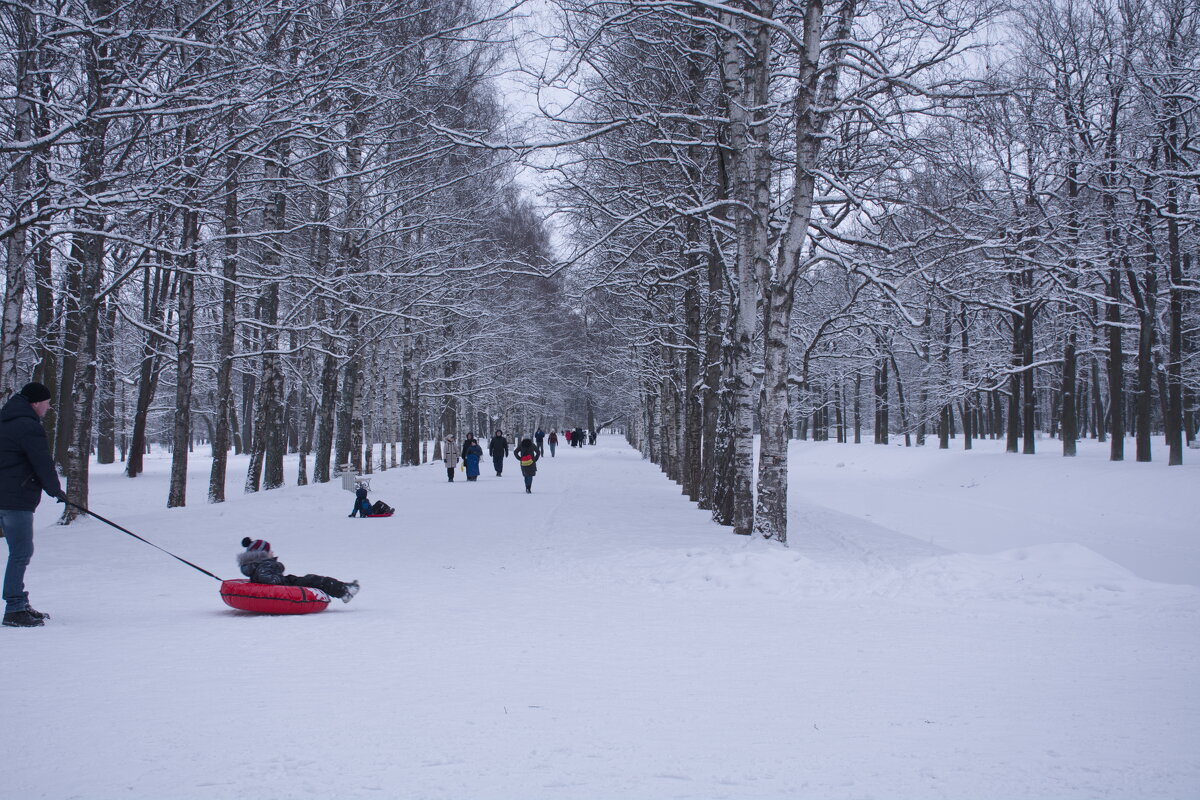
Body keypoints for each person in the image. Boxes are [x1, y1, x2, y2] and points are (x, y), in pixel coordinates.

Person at [0, 382, 66, 628]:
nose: (48, 408)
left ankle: (18, 603)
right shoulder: (28, 426)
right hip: (15, 499)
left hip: (5, 496)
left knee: (18, 552)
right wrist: (56, 490)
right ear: (36, 403)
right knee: (21, 552)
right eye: (47, 404)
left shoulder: (5, 421)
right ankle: (15, 608)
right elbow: (41, 462)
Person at [238, 538, 359, 602]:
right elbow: (270, 580)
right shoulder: (264, 565)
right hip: (286, 587)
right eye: (270, 551)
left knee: (311, 579)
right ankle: (344, 590)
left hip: (286, 583)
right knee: (313, 580)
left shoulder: (256, 566)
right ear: (262, 554)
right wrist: (278, 570)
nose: (272, 552)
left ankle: (343, 590)